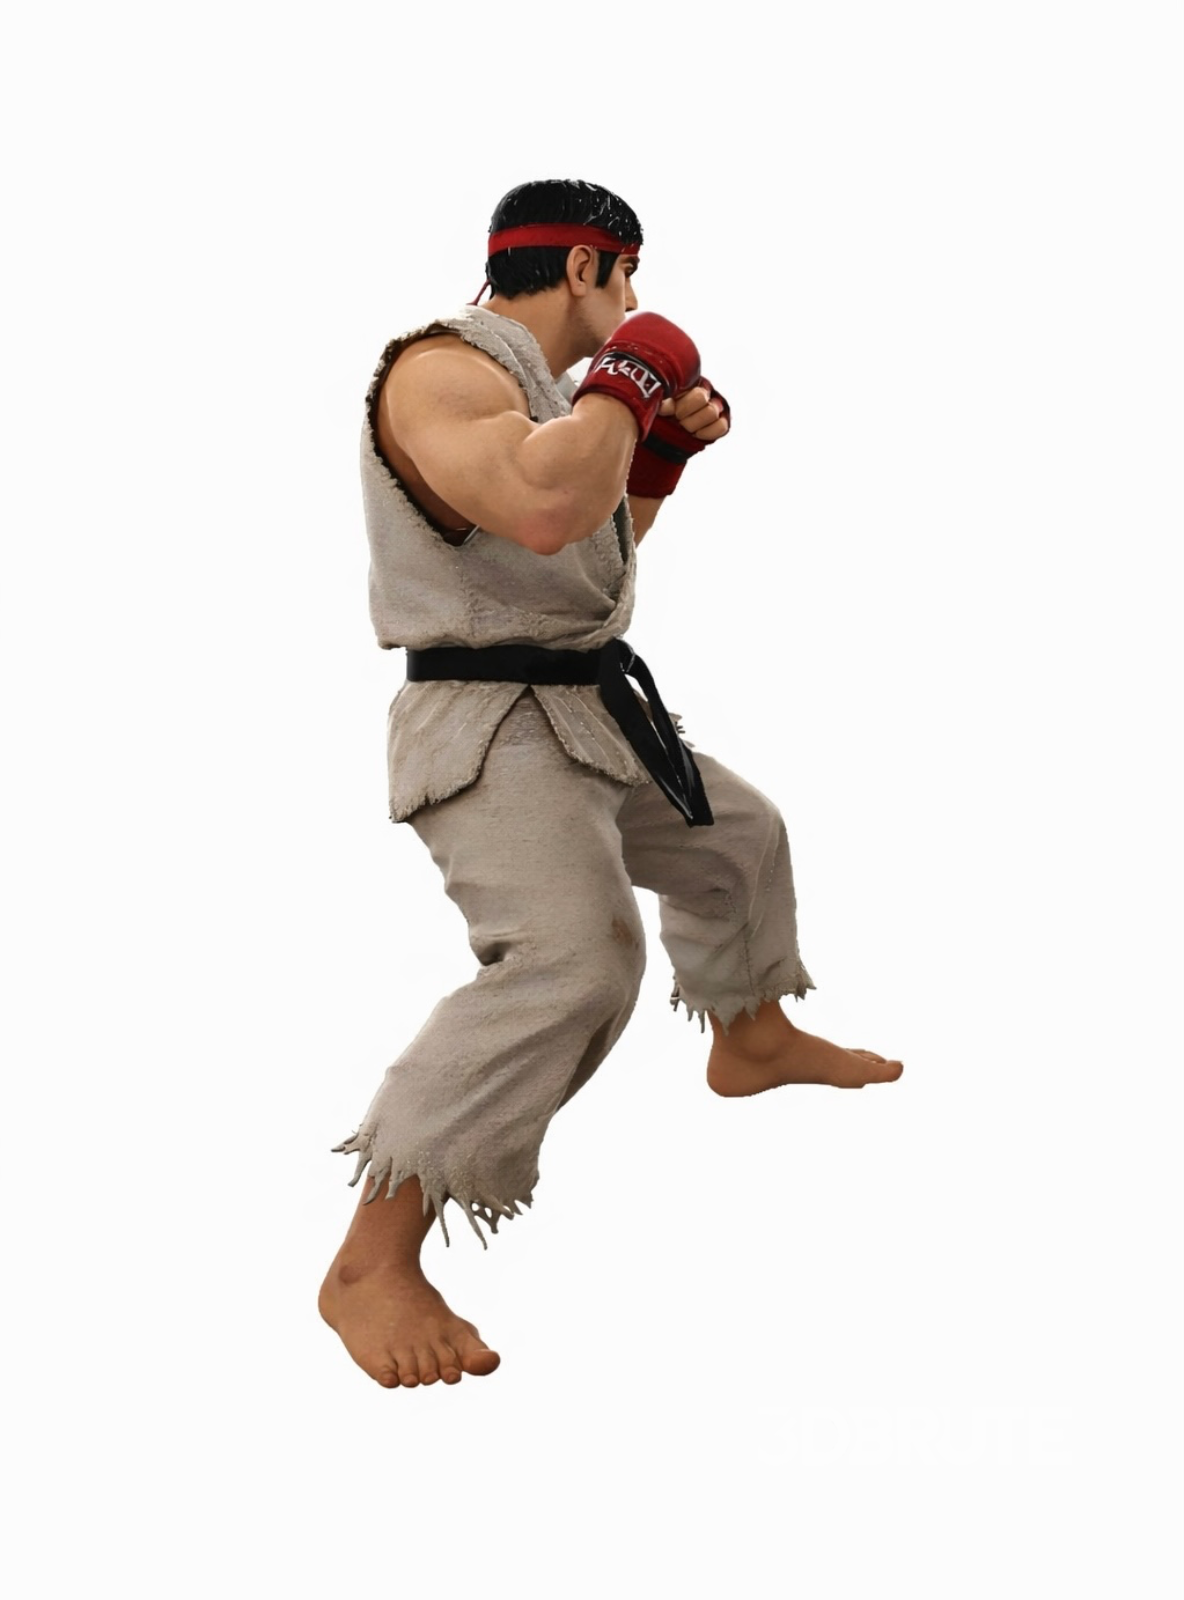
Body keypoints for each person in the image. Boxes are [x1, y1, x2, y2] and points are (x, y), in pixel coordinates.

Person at [318, 178, 902, 1390]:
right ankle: (372, 1260)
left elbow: (586, 543)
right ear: (586, 265)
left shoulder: (546, 392)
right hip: (489, 721)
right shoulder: (439, 373)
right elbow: (542, 507)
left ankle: (749, 1035)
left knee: (736, 838)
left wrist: (659, 450)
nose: (633, 299)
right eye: (626, 274)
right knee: (574, 962)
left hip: (581, 702)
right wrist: (631, 379)